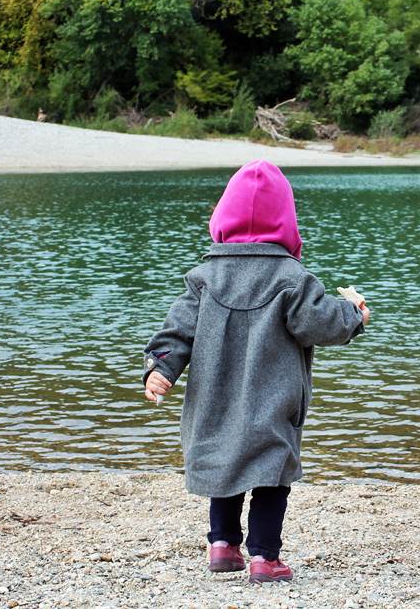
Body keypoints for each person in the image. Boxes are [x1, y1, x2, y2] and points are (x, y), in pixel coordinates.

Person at [141, 159, 370, 584]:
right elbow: (318, 323)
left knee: (223, 466)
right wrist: (354, 315)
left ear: (222, 217)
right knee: (270, 473)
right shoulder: (292, 277)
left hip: (215, 398)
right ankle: (265, 557)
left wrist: (162, 368)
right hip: (273, 396)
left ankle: (223, 545)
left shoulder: (204, 277)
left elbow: (177, 331)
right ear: (286, 222)